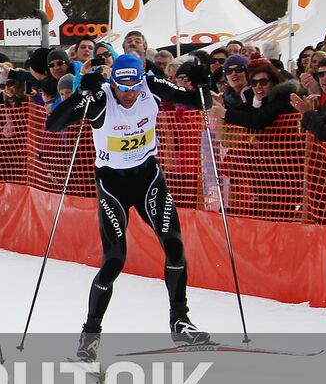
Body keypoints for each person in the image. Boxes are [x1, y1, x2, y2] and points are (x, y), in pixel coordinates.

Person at [45, 53, 213, 361]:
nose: (128, 94)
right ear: (113, 82)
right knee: (114, 261)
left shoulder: (151, 86)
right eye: (121, 87)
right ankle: (90, 335)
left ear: (140, 79)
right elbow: (53, 125)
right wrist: (82, 91)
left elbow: (201, 103)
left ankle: (180, 321)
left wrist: (205, 82)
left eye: (133, 86)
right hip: (113, 187)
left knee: (174, 247)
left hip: (149, 179)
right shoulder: (100, 99)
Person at [209, 59, 300, 131]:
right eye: (254, 82)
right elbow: (243, 111)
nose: (258, 86)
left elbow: (259, 120)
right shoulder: (254, 98)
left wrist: (225, 113)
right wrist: (222, 106)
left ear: (273, 83)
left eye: (263, 82)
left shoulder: (282, 97)